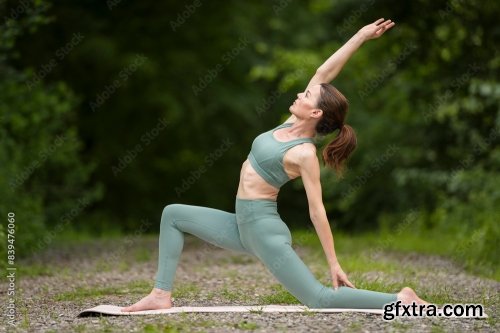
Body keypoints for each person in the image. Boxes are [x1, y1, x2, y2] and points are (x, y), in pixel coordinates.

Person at [122, 18, 428, 312]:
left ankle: (400, 299)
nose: (299, 93)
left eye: (306, 95)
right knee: (173, 214)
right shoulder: (291, 122)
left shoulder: (304, 153)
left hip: (263, 231)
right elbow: (324, 72)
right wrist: (361, 36)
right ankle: (160, 294)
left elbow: (317, 210)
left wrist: (334, 263)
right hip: (240, 225)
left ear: (316, 114)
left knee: (319, 300)